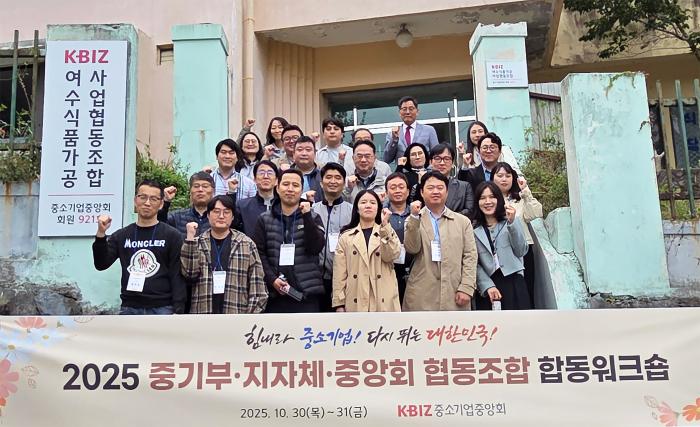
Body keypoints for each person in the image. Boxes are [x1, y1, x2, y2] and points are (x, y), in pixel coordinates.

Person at [92, 180, 186, 315]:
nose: (147, 203)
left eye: (153, 199)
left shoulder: (172, 235)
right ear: (135, 200)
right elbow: (101, 264)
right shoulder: (122, 235)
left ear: (161, 204)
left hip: (162, 307)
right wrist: (101, 234)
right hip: (130, 307)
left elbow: (177, 274)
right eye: (143, 197)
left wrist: (178, 308)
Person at [252, 169, 326, 313]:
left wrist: (307, 217)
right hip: (274, 294)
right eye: (285, 184)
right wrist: (272, 279)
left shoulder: (313, 217)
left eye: (295, 185)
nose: (290, 189)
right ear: (277, 188)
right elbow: (258, 254)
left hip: (306, 294)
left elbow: (316, 248)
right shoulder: (264, 219)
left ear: (301, 190)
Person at [403, 171, 477, 311]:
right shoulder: (413, 219)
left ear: (447, 192)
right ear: (422, 192)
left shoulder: (462, 222)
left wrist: (467, 287)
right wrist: (414, 218)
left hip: (454, 291)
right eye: (430, 188)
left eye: (440, 187)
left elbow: (470, 256)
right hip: (421, 294)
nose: (435, 191)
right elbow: (412, 248)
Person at [180, 195, 267, 314]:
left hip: (236, 313)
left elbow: (258, 286)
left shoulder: (246, 244)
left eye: (226, 212)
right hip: (203, 314)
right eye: (216, 211)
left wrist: (249, 317)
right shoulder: (196, 243)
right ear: (208, 215)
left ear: (232, 217)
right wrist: (190, 238)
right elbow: (189, 274)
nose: (221, 216)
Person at [332, 190, 401, 312]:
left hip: (383, 299)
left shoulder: (386, 231)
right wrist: (339, 304)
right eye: (363, 202)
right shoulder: (346, 237)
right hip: (355, 298)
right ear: (357, 208)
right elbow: (339, 275)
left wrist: (385, 225)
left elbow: (392, 255)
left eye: (373, 203)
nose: (368, 205)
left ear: (378, 209)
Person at [473, 181, 531, 310]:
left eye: (492, 197)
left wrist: (512, 222)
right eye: (482, 198)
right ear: (477, 202)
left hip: (514, 282)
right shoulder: (472, 230)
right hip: (489, 285)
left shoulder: (510, 222)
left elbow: (521, 251)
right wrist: (487, 285)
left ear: (499, 200)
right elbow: (473, 263)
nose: (488, 202)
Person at [491, 161, 543, 306]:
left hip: (523, 249)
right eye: (500, 175)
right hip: (500, 251)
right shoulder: (488, 200)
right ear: (492, 178)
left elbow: (536, 213)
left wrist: (526, 191)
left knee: (525, 289)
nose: (504, 179)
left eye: (508, 176)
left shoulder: (520, 200)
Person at [312, 162, 353, 312]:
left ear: (344, 183)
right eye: (328, 177)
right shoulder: (312, 210)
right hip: (316, 279)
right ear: (321, 183)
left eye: (338, 177)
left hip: (344, 278)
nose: (333, 181)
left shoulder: (352, 211)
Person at [384, 96, 439, 164]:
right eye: (404, 109)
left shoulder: (429, 130)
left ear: (417, 111)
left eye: (411, 109)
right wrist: (394, 140)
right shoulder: (392, 134)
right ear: (399, 113)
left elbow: (436, 155)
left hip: (424, 170)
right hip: (403, 170)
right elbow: (387, 159)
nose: (407, 112)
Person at [384, 172, 412, 303]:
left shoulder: (418, 214)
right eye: (393, 187)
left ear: (408, 191)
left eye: (401, 187)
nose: (397, 190)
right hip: (387, 271)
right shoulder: (381, 216)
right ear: (386, 192)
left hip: (413, 272)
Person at [158, 172, 215, 236]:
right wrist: (166, 202)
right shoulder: (176, 217)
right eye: (196, 186)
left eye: (205, 186)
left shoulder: (218, 217)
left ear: (213, 191)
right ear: (190, 191)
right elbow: (158, 229)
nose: (200, 190)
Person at [429, 143, 475, 218]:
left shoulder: (464, 187)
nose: (442, 163)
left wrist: (447, 219)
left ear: (453, 163)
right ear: (430, 162)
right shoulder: (423, 186)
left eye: (447, 159)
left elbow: (469, 211)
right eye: (437, 158)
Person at [235, 160, 279, 237]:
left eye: (270, 173)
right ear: (254, 179)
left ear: (276, 181)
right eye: (261, 173)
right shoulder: (242, 206)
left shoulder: (284, 205)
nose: (266, 177)